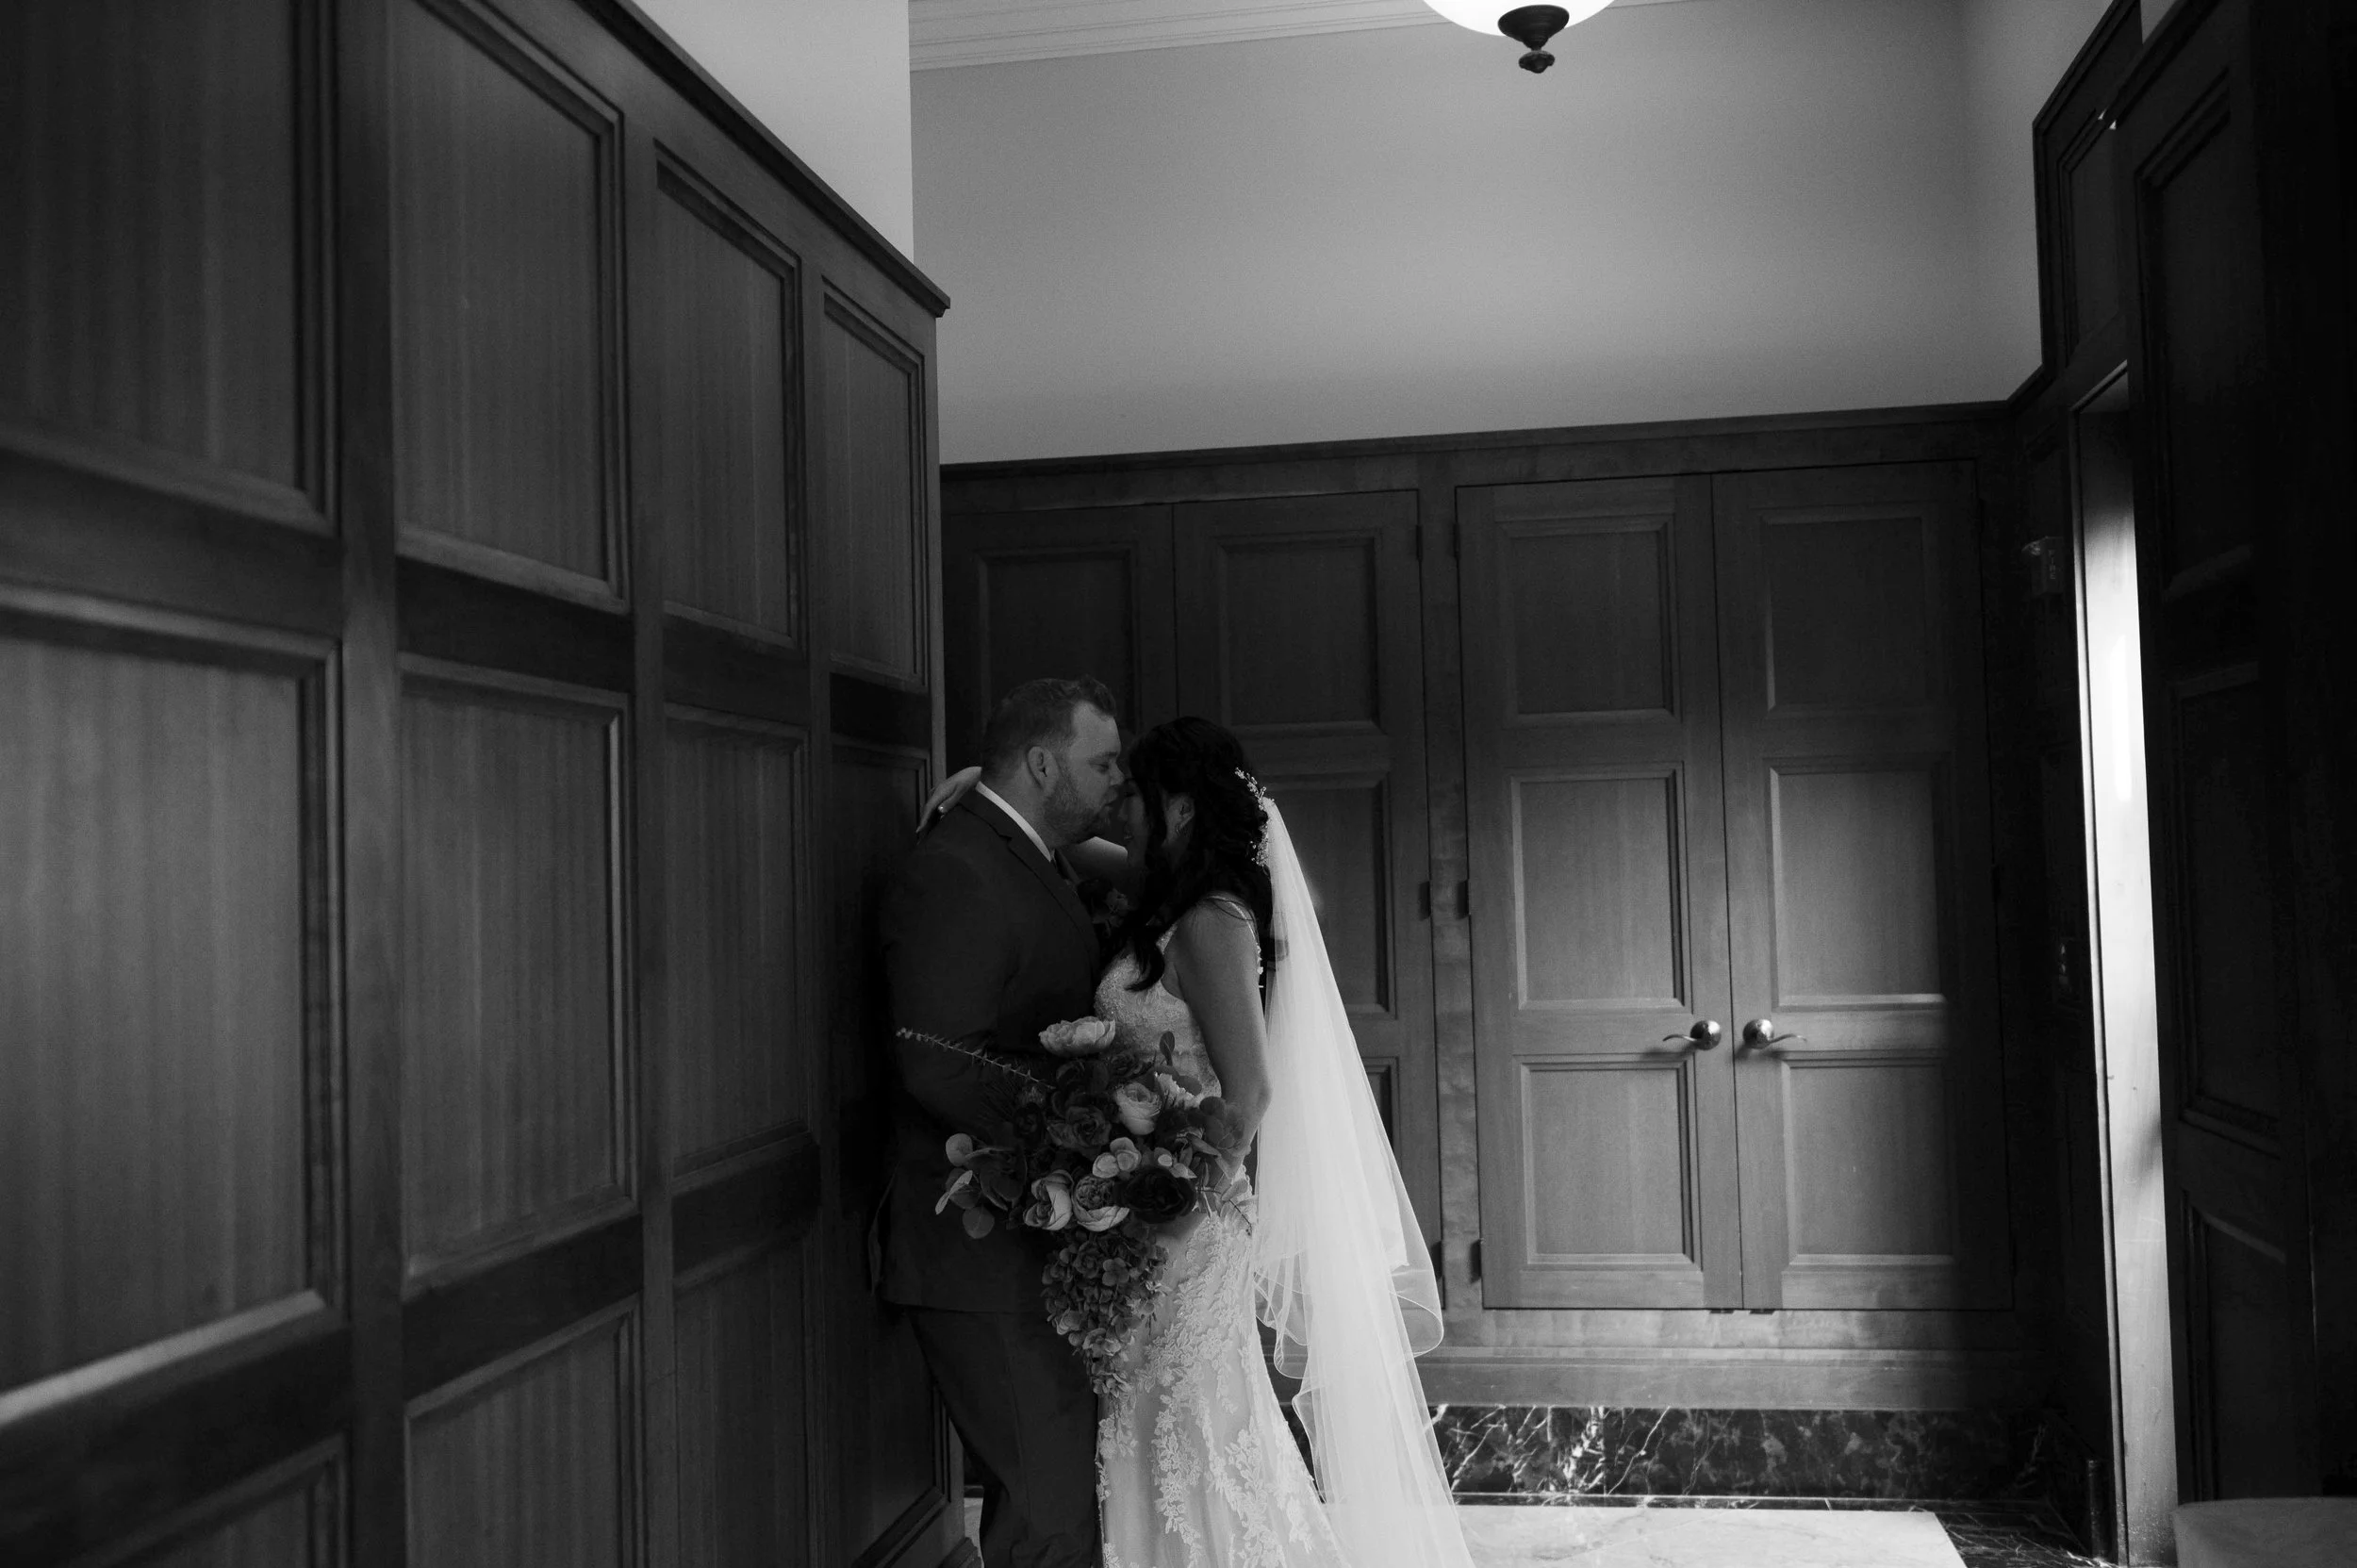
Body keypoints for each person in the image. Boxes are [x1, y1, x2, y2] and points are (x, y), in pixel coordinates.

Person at [924, 715, 1475, 1568]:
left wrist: (1168, 1211)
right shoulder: (1172, 902)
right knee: (1165, 1430)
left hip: (1186, 1221)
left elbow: (1248, 1090)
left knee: (1199, 1434)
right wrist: (985, 794)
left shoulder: (1213, 919)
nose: (1120, 813)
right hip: (1152, 1211)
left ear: (1177, 808)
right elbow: (1064, 851)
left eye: (1133, 795)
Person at [879, 677, 1127, 1568]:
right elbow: (937, 1057)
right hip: (973, 1256)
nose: (1118, 783)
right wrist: (1091, 1124)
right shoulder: (958, 867)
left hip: (1030, 1245)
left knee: (1059, 1507)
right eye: (1102, 764)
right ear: (1038, 762)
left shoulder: (1025, 852)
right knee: (1049, 1518)